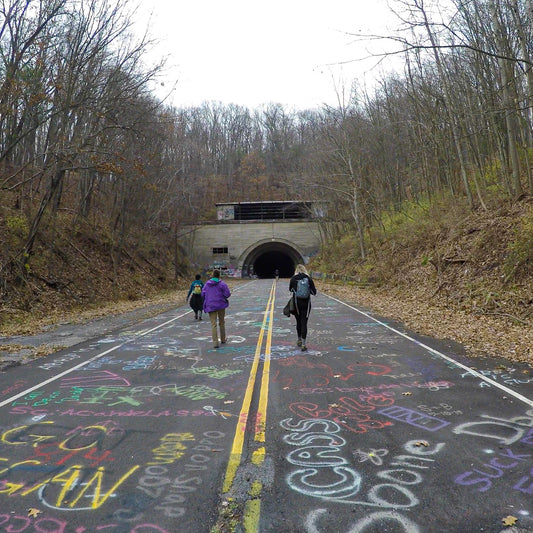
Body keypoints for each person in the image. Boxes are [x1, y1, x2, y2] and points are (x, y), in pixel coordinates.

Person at [289, 264, 317, 352]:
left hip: (296, 303)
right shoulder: (308, 279)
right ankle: (304, 344)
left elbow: (290, 289)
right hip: (306, 304)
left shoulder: (293, 279)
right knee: (304, 322)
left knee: (298, 322)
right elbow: (314, 292)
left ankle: (299, 339)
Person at [202, 269, 231, 349]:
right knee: (222, 322)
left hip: (211, 305)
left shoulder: (207, 284)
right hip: (221, 304)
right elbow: (227, 294)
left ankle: (215, 343)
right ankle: (223, 339)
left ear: (212, 275)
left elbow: (203, 294)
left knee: (213, 324)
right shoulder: (222, 284)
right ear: (219, 275)